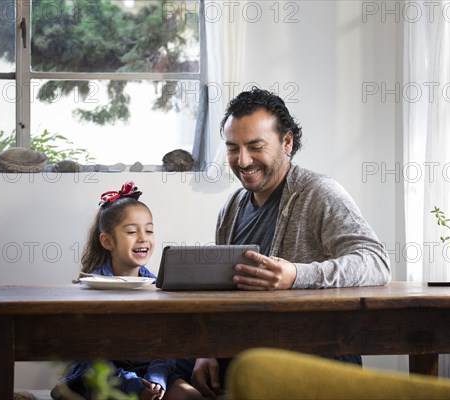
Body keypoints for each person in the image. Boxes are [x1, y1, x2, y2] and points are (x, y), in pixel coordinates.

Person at [180, 87, 391, 398]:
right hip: (248, 356)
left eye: (255, 146)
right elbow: (222, 292)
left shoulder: (320, 193)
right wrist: (208, 349)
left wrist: (296, 275)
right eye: (232, 148)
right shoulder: (232, 206)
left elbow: (376, 263)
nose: (243, 160)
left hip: (314, 355)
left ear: (287, 142)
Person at [51, 181, 202, 400]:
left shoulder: (159, 287)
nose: (143, 238)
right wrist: (132, 384)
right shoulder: (91, 288)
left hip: (150, 371)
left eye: (149, 230)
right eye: (132, 231)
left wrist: (156, 380)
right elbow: (91, 358)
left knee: (190, 396)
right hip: (108, 374)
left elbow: (167, 347)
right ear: (107, 241)